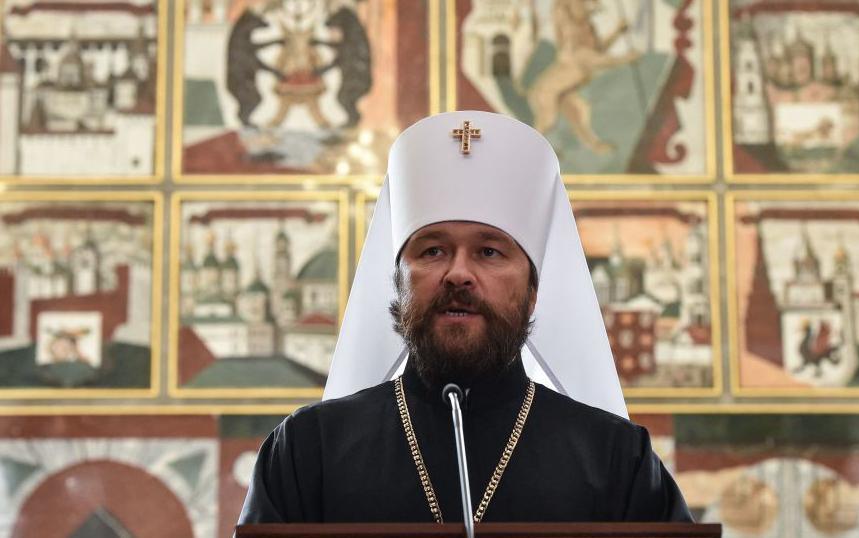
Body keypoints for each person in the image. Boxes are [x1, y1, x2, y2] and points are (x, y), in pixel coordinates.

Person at [237, 111, 692, 524]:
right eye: (432, 250)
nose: (458, 273)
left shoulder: (616, 458)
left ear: (533, 293)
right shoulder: (306, 451)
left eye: (489, 251)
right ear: (398, 283)